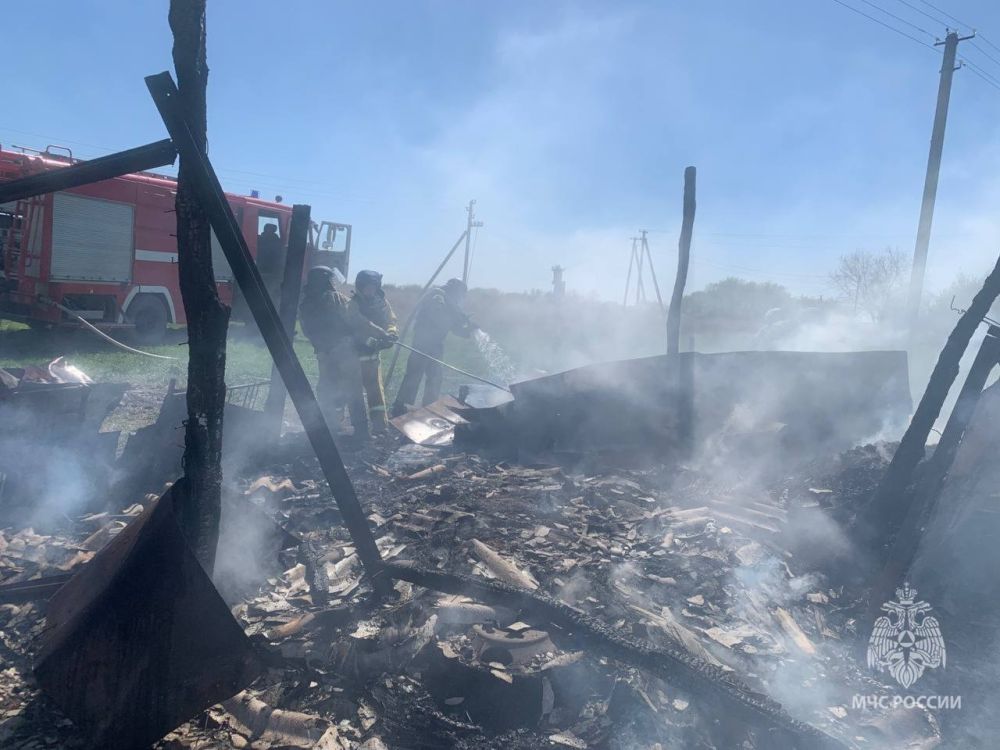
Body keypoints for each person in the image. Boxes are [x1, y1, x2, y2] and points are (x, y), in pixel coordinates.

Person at [299, 266, 385, 444]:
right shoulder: (336, 298)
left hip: (323, 353)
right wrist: (381, 332)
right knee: (353, 390)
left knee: (327, 389)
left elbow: (307, 331)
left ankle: (329, 427)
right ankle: (361, 431)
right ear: (325, 280)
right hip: (344, 352)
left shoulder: (305, 303)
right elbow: (357, 320)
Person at [391, 278, 474, 417]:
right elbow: (437, 316)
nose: (460, 297)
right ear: (454, 290)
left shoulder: (450, 303)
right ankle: (399, 406)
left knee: (436, 376)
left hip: (436, 344)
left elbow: (453, 326)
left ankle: (430, 406)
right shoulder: (437, 296)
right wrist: (458, 316)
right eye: (460, 294)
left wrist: (466, 331)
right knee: (414, 374)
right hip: (423, 342)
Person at [349, 270, 398, 434]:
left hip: (373, 358)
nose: (370, 291)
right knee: (354, 393)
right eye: (367, 287)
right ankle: (360, 428)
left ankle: (380, 427)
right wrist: (375, 339)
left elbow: (391, 320)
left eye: (373, 287)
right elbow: (358, 325)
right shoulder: (353, 304)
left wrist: (391, 333)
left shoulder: (383, 303)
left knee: (376, 392)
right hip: (355, 357)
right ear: (360, 287)